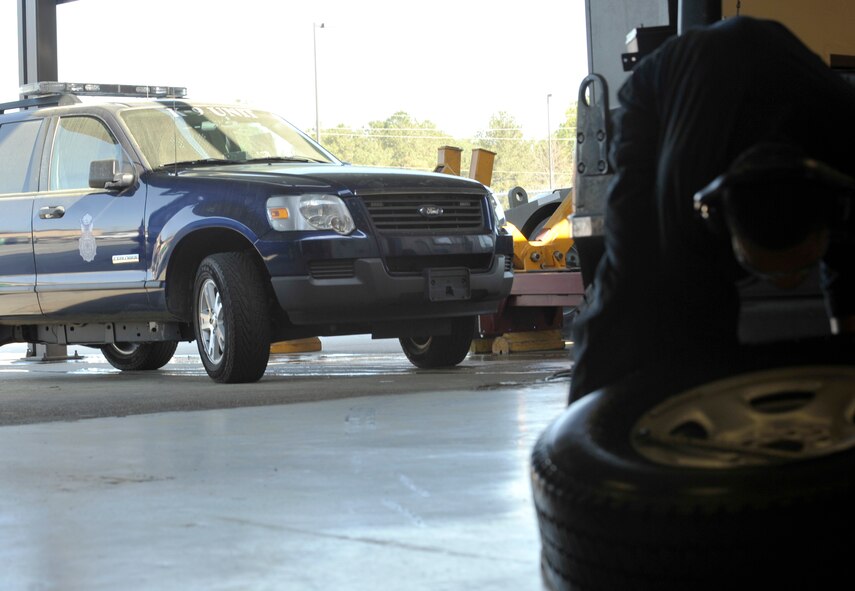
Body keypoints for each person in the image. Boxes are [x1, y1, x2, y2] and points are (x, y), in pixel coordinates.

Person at [569, 16, 855, 402]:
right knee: (633, 272)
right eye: (761, 269)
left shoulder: (844, 139)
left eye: (800, 267)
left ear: (828, 219)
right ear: (724, 224)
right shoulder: (687, 183)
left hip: (769, 83)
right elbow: (693, 303)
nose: (781, 282)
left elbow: (848, 273)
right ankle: (585, 425)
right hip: (662, 98)